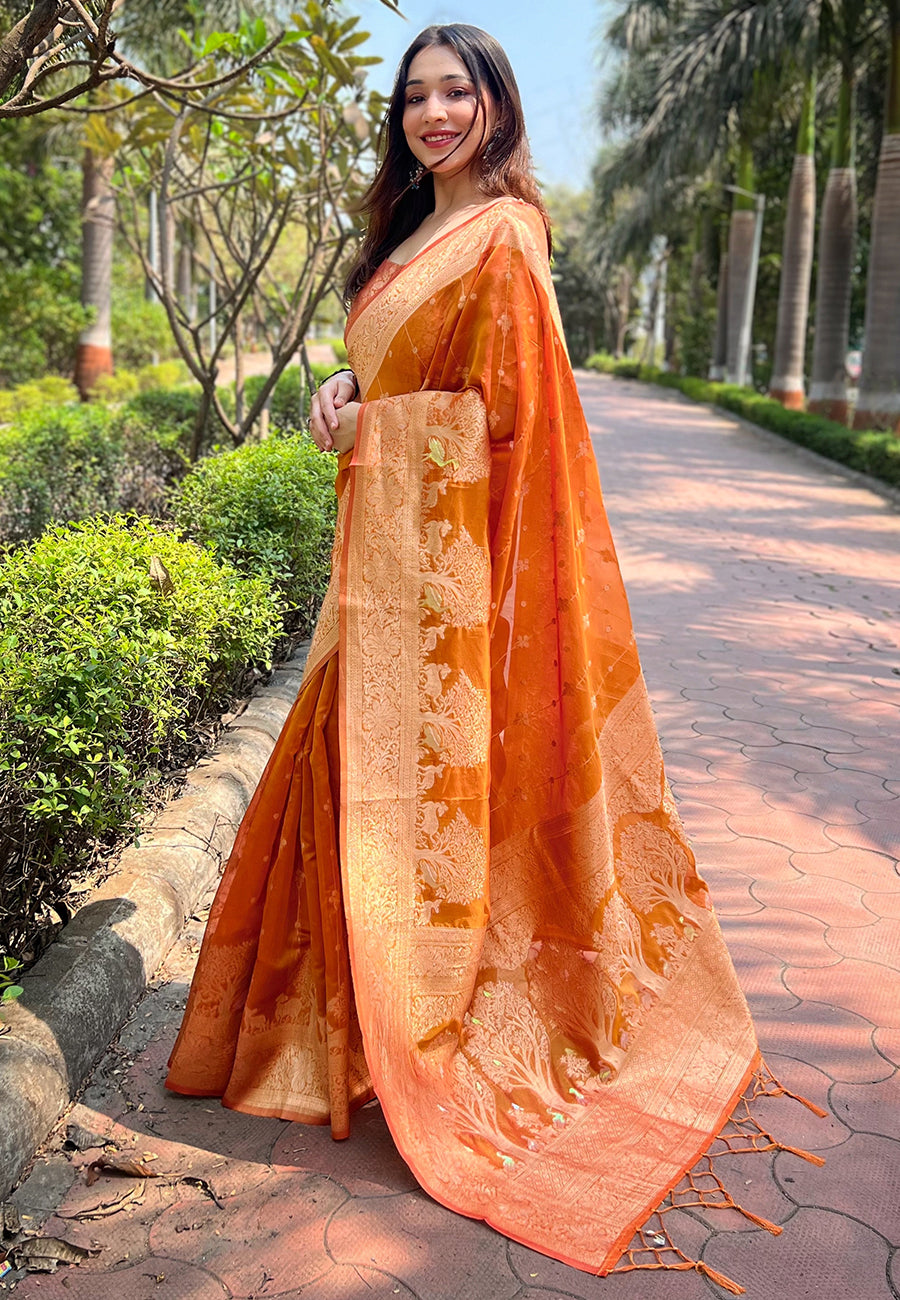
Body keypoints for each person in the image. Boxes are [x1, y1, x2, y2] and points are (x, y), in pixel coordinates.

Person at [167, 24, 820, 1287]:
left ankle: (405, 1040)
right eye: (414, 95)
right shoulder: (409, 232)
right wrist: (343, 414)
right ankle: (330, 1039)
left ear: (496, 103)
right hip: (379, 576)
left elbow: (507, 426)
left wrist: (380, 434)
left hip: (443, 592)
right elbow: (409, 385)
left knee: (408, 808)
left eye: (456, 91)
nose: (433, 112)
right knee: (335, 789)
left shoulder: (507, 237)